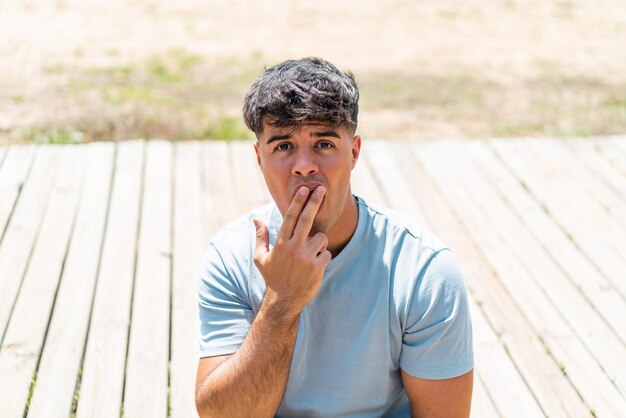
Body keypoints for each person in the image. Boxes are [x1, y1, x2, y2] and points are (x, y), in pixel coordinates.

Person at [195, 57, 474, 418]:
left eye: (324, 144)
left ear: (354, 152)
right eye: (283, 146)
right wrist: (282, 302)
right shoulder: (230, 257)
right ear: (259, 157)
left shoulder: (423, 269)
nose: (304, 165)